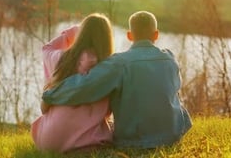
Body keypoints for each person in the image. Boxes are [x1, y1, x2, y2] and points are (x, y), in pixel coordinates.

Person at [43, 10, 192, 148]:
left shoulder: (118, 64)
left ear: (129, 36)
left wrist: (50, 95)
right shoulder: (170, 58)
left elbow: (83, 86)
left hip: (133, 140)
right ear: (156, 35)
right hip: (172, 134)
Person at [31, 13, 114, 153]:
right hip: (85, 144)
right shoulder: (109, 69)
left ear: (82, 35)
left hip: (48, 140)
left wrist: (74, 31)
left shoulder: (63, 58)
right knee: (111, 129)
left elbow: (47, 48)